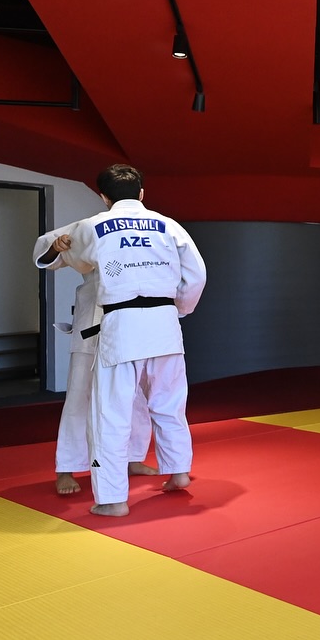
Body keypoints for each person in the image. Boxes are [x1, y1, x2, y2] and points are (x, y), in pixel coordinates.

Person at [65, 164, 207, 517]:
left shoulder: (93, 225)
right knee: (169, 403)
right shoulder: (169, 225)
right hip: (164, 324)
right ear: (142, 193)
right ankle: (179, 472)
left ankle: (113, 499)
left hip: (122, 325)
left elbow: (78, 261)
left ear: (103, 197)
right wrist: (179, 309)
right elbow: (197, 275)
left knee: (111, 412)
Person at [33, 226, 156, 495]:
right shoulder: (90, 227)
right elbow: (46, 252)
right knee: (80, 394)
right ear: (106, 203)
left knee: (136, 393)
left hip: (135, 319)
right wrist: (56, 247)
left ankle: (133, 457)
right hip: (94, 315)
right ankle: (66, 468)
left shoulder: (151, 228)